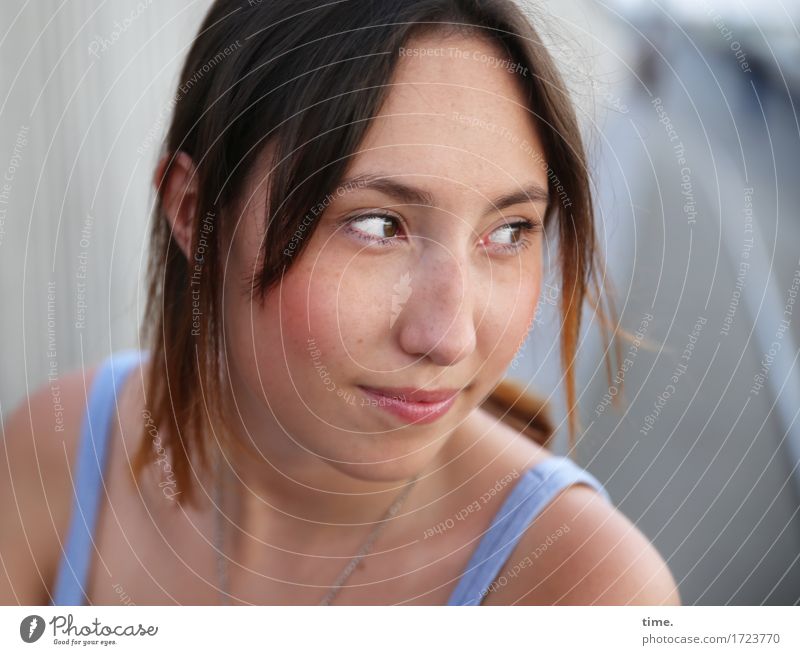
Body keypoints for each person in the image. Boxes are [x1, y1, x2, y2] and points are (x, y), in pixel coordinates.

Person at [1, 0, 680, 606]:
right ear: (195, 210)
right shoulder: (58, 454)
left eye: (509, 232)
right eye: (379, 225)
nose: (448, 336)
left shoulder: (583, 590)